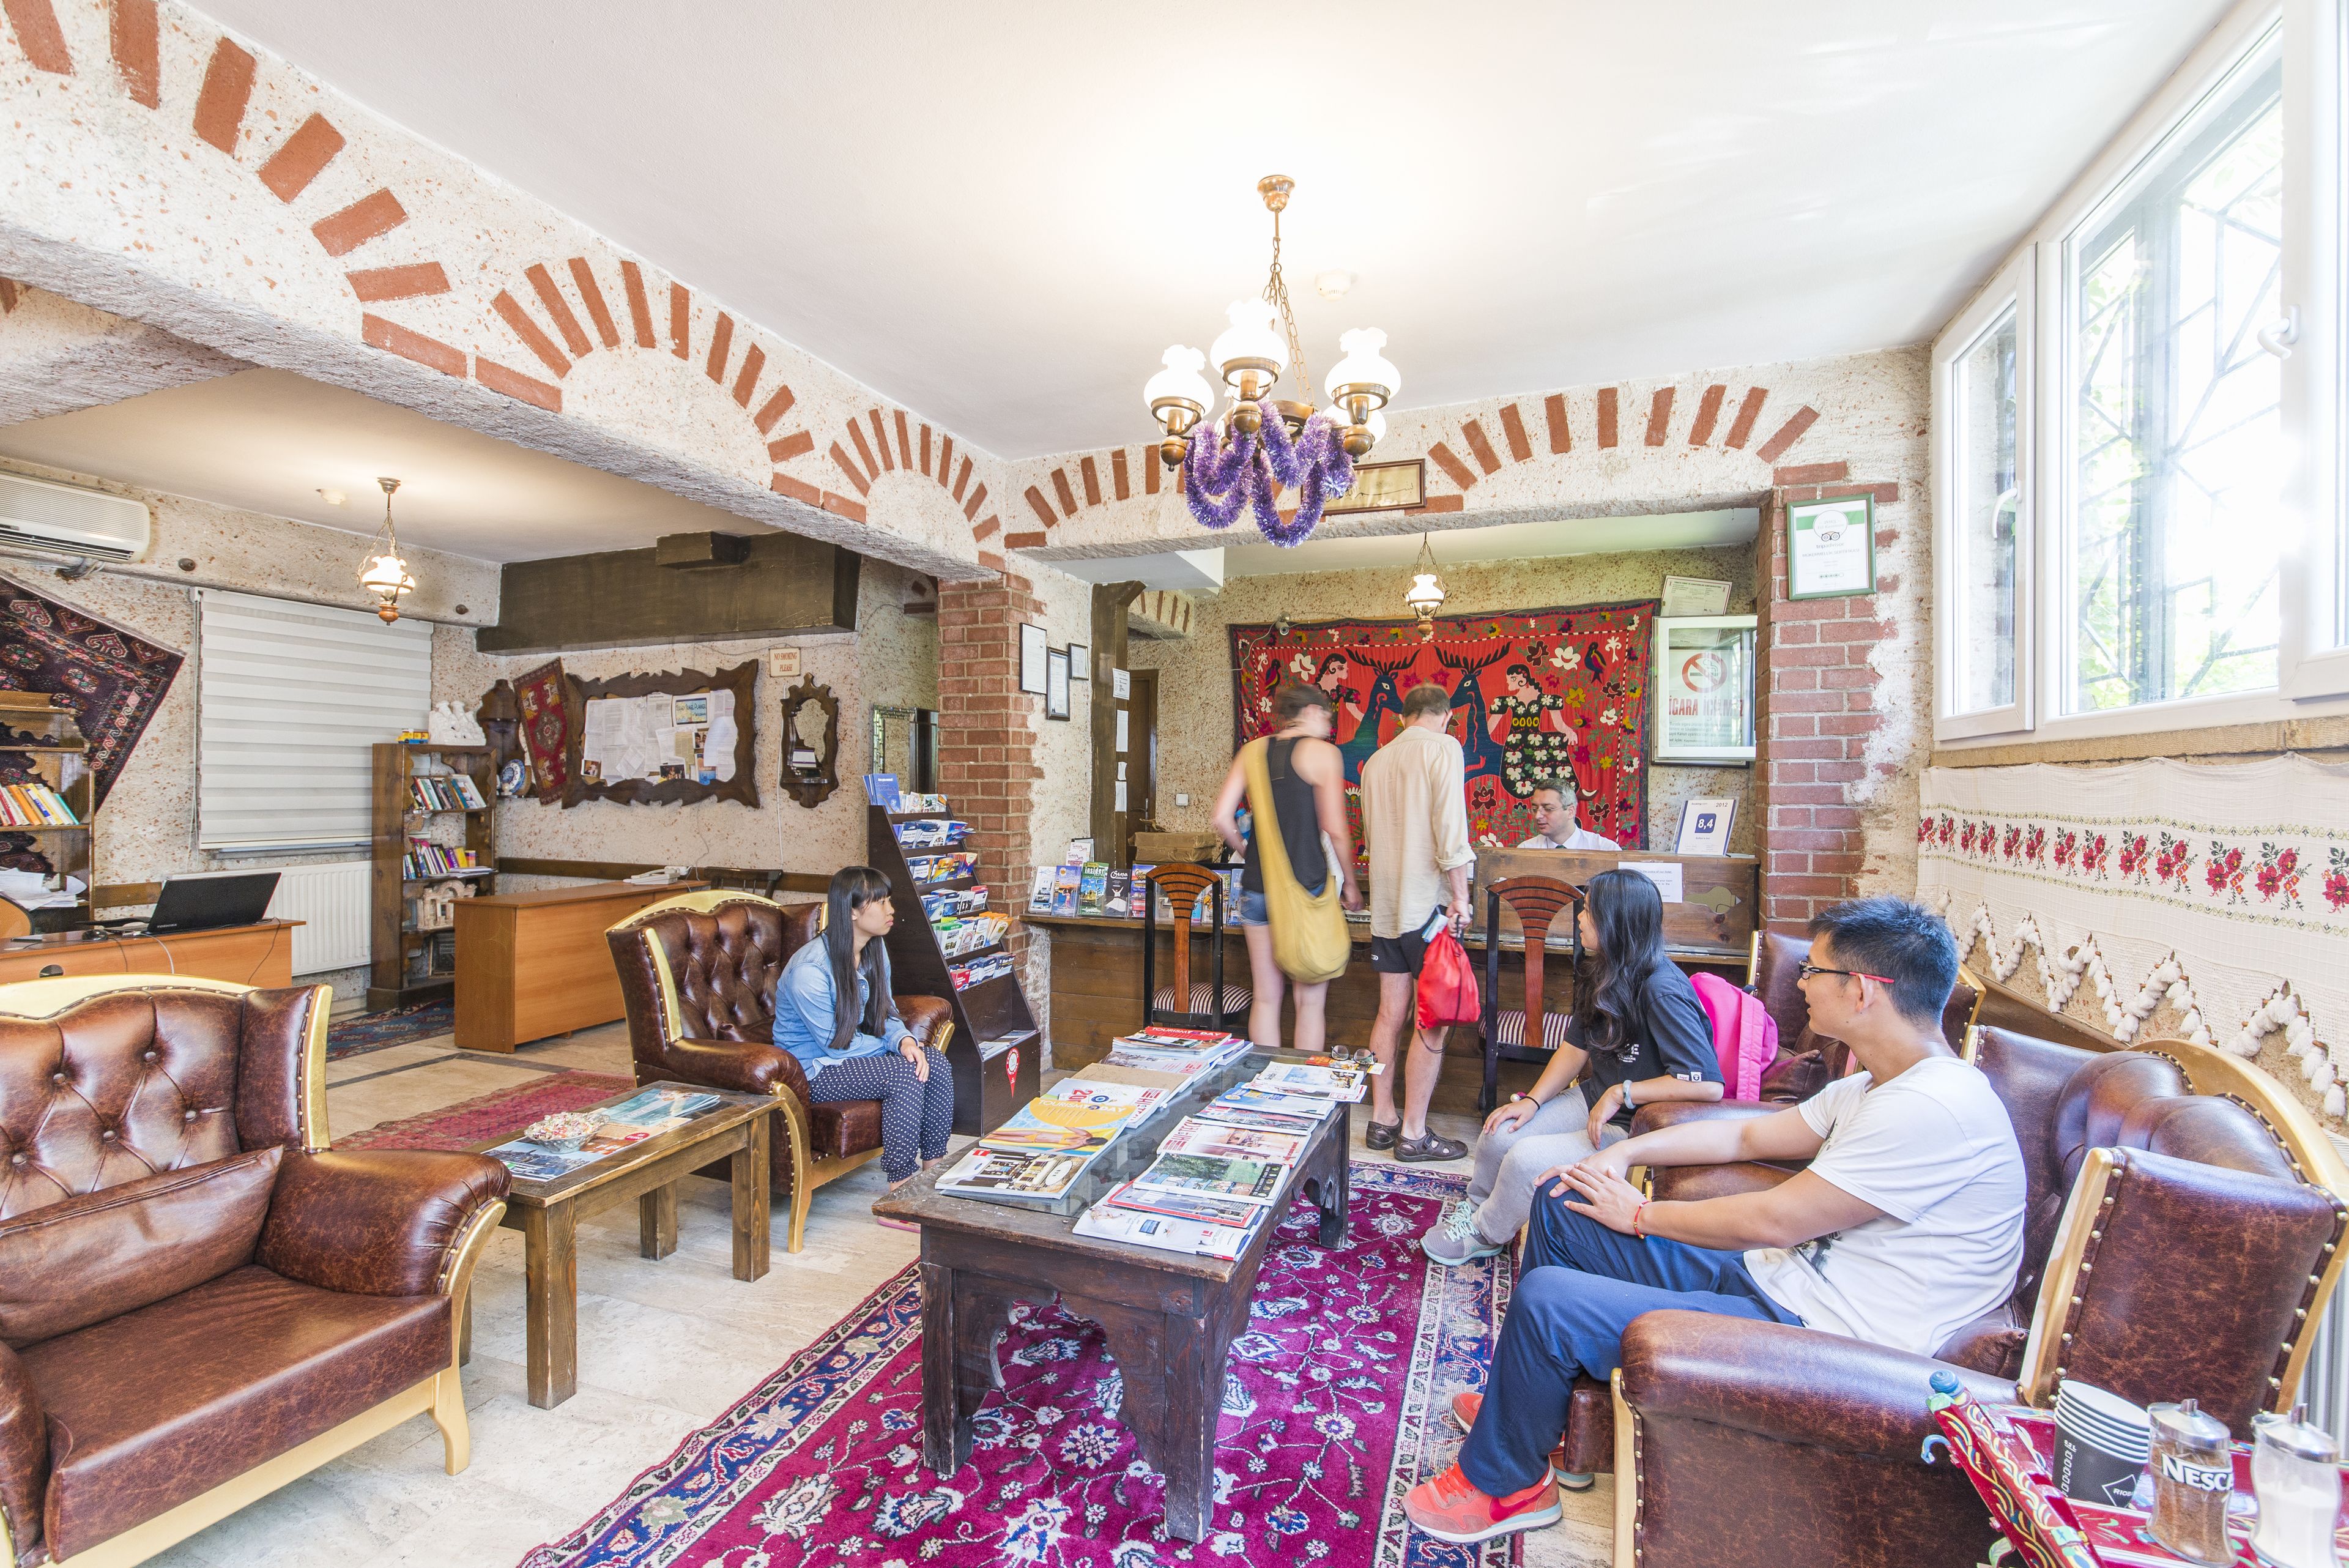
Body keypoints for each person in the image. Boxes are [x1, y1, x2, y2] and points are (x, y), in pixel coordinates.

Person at [1403, 896, 2025, 1545]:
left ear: (1863, 989)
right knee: (1566, 1201)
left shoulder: (1933, 1107)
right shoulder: (1876, 1086)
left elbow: (1778, 1219)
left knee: (1548, 1302)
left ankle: (1507, 1485)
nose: (1802, 984)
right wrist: (1625, 1153)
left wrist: (1641, 1214)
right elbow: (1744, 1136)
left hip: (1828, 1339)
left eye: (1813, 970)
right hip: (1780, 1283)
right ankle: (1537, 1413)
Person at [1420, 868, 1721, 1266]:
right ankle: (1478, 1210)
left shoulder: (1663, 990)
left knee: (1525, 1160)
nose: (1579, 917)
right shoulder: (1602, 969)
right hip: (1594, 1099)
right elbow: (1574, 1048)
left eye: (1588, 910)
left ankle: (1488, 1233)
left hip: (1636, 1124)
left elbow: (1707, 1086)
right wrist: (1531, 1101)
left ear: (1614, 920)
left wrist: (1623, 1093)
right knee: (1500, 1132)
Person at [771, 866, 952, 1230]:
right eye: (881, 902)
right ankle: (898, 1198)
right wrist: (893, 1049)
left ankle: (934, 1175)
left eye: (889, 901)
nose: (891, 910)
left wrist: (904, 1039)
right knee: (905, 1074)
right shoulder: (810, 969)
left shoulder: (873, 949)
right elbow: (836, 1045)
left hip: (849, 1055)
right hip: (813, 1070)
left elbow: (884, 1010)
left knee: (934, 1061)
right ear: (852, 911)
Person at [1358, 682, 1477, 1162]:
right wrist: (1462, 896)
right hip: (1428, 909)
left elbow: (1372, 835)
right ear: (1445, 717)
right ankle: (1413, 1133)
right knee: (1434, 1020)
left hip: (1387, 908)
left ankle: (1382, 1119)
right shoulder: (1444, 747)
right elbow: (1451, 828)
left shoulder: (1376, 761)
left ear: (1403, 717)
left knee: (1390, 1013)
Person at [1211, 682, 1364, 1054]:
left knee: (1266, 997)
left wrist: (1247, 851)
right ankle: (1301, 1083)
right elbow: (1335, 830)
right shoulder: (1323, 754)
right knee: (1309, 1002)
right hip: (1307, 885)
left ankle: (1264, 1080)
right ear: (1310, 712)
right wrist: (1351, 885)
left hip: (1257, 887)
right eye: (1327, 716)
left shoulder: (1251, 751)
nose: (1329, 725)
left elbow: (1221, 817)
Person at [1517, 775, 1617, 851]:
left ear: (1570, 811)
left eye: (1548, 809)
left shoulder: (1606, 850)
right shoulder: (1525, 851)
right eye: (1535, 809)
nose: (1538, 816)